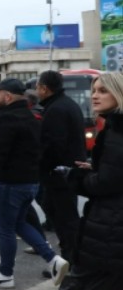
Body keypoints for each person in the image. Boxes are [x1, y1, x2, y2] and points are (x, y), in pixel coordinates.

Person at [5, 72, 123, 290]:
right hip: (113, 219)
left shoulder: (118, 132)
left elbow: (108, 183)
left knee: (78, 280)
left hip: (111, 221)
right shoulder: (113, 126)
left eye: (103, 91)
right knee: (100, 278)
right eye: (94, 90)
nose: (95, 95)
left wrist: (74, 177)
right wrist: (94, 170)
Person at [0, 79, 69, 288]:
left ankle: (5, 274)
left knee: (5, 229)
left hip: (10, 182)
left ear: (7, 96)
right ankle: (53, 259)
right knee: (19, 224)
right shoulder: (31, 116)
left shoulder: (6, 118)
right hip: (31, 181)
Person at [36, 70, 87, 263]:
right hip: (67, 171)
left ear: (44, 88)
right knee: (55, 210)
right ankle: (70, 257)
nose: (36, 91)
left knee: (65, 218)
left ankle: (73, 261)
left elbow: (53, 145)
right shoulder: (68, 104)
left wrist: (43, 166)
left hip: (59, 173)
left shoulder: (56, 109)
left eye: (38, 87)